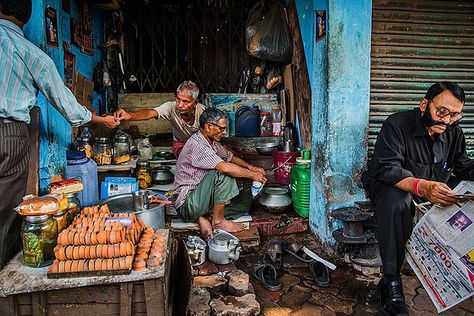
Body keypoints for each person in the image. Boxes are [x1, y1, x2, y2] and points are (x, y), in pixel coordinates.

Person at [0, 0, 120, 269]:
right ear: (26, 17)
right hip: (8, 134)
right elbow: (66, 104)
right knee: (7, 215)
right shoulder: (30, 53)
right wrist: (100, 119)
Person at [361, 82, 474, 316]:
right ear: (424, 104)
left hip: (430, 183)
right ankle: (391, 281)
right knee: (397, 200)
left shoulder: (453, 132)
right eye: (442, 111)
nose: (447, 120)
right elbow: (388, 170)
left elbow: (463, 167)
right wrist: (422, 187)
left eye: (455, 114)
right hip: (388, 184)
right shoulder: (397, 124)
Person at [173, 108, 267, 238]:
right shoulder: (198, 145)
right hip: (188, 203)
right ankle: (218, 221)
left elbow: (229, 157)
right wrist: (253, 175)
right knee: (222, 174)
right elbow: (225, 167)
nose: (224, 132)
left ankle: (206, 217)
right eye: (221, 129)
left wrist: (252, 168)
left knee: (245, 202)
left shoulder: (212, 142)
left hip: (203, 200)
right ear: (208, 127)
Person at [114, 81, 205, 158]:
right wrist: (129, 115)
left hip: (199, 145)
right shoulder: (170, 107)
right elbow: (149, 113)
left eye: (185, 101)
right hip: (180, 144)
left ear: (195, 102)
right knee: (185, 157)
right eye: (178, 99)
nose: (180, 105)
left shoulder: (203, 112)